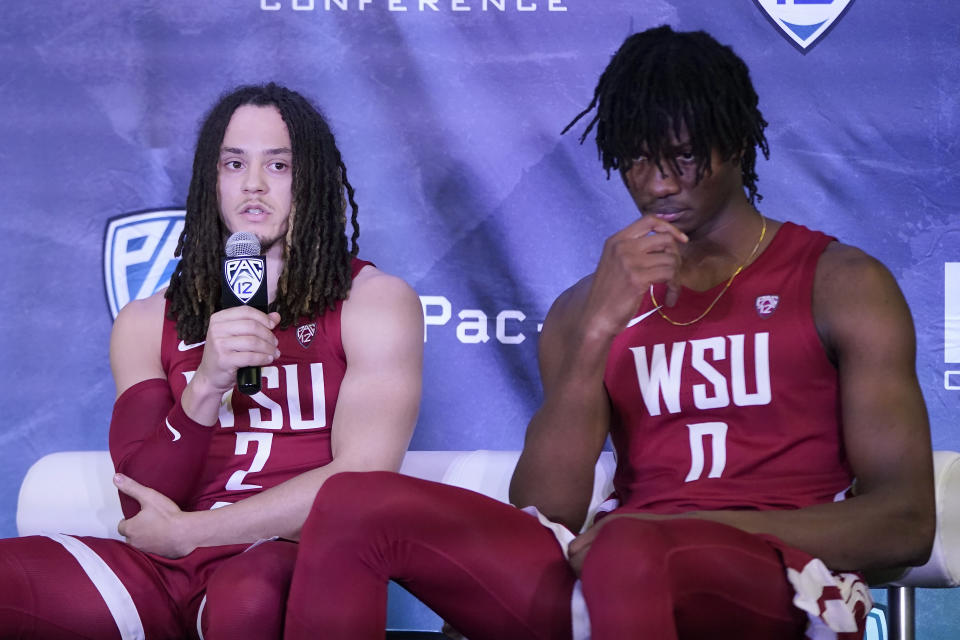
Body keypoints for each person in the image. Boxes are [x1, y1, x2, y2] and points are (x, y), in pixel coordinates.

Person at [280, 26, 935, 640]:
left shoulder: (839, 283)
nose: (655, 184)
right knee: (353, 504)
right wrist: (598, 327)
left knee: (626, 544)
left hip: (776, 584)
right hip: (617, 579)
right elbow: (544, 510)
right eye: (636, 161)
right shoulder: (585, 309)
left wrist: (669, 527)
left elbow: (904, 525)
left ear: (734, 144)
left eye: (680, 158)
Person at [0, 82, 423, 639]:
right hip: (165, 565)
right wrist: (204, 386)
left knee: (247, 602)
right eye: (233, 163)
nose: (252, 183)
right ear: (210, 181)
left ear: (312, 180)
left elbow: (360, 479)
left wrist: (196, 531)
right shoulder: (147, 321)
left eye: (278, 164)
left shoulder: (373, 301)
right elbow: (141, 495)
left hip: (284, 556)